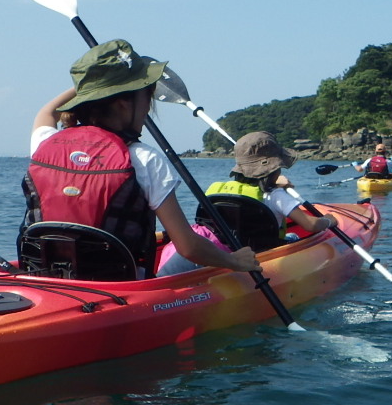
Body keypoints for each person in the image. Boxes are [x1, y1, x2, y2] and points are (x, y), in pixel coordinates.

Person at [21, 39, 260, 280]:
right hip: (121, 288)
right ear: (124, 104)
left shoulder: (46, 145)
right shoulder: (145, 159)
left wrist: (88, 88)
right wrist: (234, 261)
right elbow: (189, 247)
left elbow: (46, 112)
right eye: (148, 95)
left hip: (47, 280)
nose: (148, 108)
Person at [157, 131, 339, 276]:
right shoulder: (277, 195)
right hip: (261, 251)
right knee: (292, 238)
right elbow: (311, 225)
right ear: (274, 168)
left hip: (227, 248)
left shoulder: (219, 189)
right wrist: (330, 221)